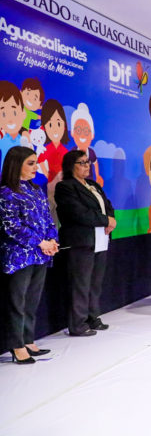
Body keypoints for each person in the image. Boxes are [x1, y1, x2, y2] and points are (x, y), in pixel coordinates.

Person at [0, 146, 58, 364]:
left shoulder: (35, 189)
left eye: (36, 162)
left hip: (41, 254)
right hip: (19, 256)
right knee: (18, 301)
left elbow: (48, 217)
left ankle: (28, 339)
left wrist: (52, 240)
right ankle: (16, 345)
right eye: (30, 163)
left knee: (32, 300)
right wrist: (40, 242)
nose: (36, 167)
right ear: (17, 165)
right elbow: (11, 226)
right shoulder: (6, 192)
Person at [55, 150, 117, 336]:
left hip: (100, 239)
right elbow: (78, 213)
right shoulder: (65, 187)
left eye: (87, 162)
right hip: (81, 241)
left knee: (95, 282)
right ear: (70, 165)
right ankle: (78, 324)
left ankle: (93, 317)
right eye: (81, 162)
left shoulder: (92, 185)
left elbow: (108, 205)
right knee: (80, 283)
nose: (86, 165)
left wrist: (111, 218)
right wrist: (105, 220)